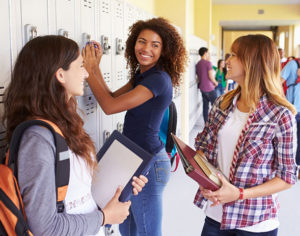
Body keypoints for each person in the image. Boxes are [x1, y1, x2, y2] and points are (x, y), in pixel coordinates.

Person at [2, 35, 148, 236]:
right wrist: (104, 217)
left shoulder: (64, 122)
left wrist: (121, 185)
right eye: (80, 66)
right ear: (60, 75)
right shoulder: (38, 139)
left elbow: (78, 191)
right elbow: (45, 228)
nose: (86, 73)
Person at [82, 17, 187, 236]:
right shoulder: (143, 75)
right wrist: (95, 69)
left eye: (155, 45)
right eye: (142, 41)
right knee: (127, 230)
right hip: (133, 161)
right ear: (133, 43)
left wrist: (90, 69)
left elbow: (110, 107)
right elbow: (111, 96)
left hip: (149, 165)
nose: (146, 48)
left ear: (164, 50)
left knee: (148, 232)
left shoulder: (158, 79)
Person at [193, 34, 297, 235]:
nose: (227, 61)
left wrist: (239, 194)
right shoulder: (221, 104)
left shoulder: (280, 115)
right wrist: (204, 179)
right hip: (216, 217)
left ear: (253, 63)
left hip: (255, 222)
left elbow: (286, 177)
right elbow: (203, 148)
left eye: (234, 55)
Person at [281, 59, 300, 174]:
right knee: (292, 140)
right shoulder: (293, 64)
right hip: (294, 110)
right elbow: (277, 82)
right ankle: (292, 168)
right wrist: (284, 101)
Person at [196, 47, 218, 123]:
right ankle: (214, 123)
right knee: (216, 106)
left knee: (205, 107)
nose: (209, 55)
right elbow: (210, 76)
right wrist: (215, 82)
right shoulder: (208, 63)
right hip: (210, 88)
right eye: (208, 53)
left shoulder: (198, 64)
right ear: (205, 53)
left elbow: (199, 77)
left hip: (202, 88)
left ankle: (206, 123)